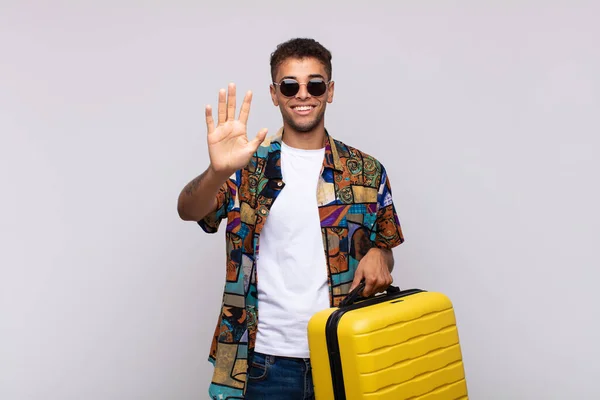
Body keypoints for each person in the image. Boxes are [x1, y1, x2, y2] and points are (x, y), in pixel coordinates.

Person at [177, 38, 404, 400]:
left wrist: (380, 253)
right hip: (262, 362)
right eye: (290, 85)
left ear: (329, 92)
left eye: (314, 84)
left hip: (344, 354)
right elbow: (190, 211)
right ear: (274, 93)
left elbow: (384, 252)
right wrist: (216, 172)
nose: (303, 95)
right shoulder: (246, 167)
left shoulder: (365, 171)